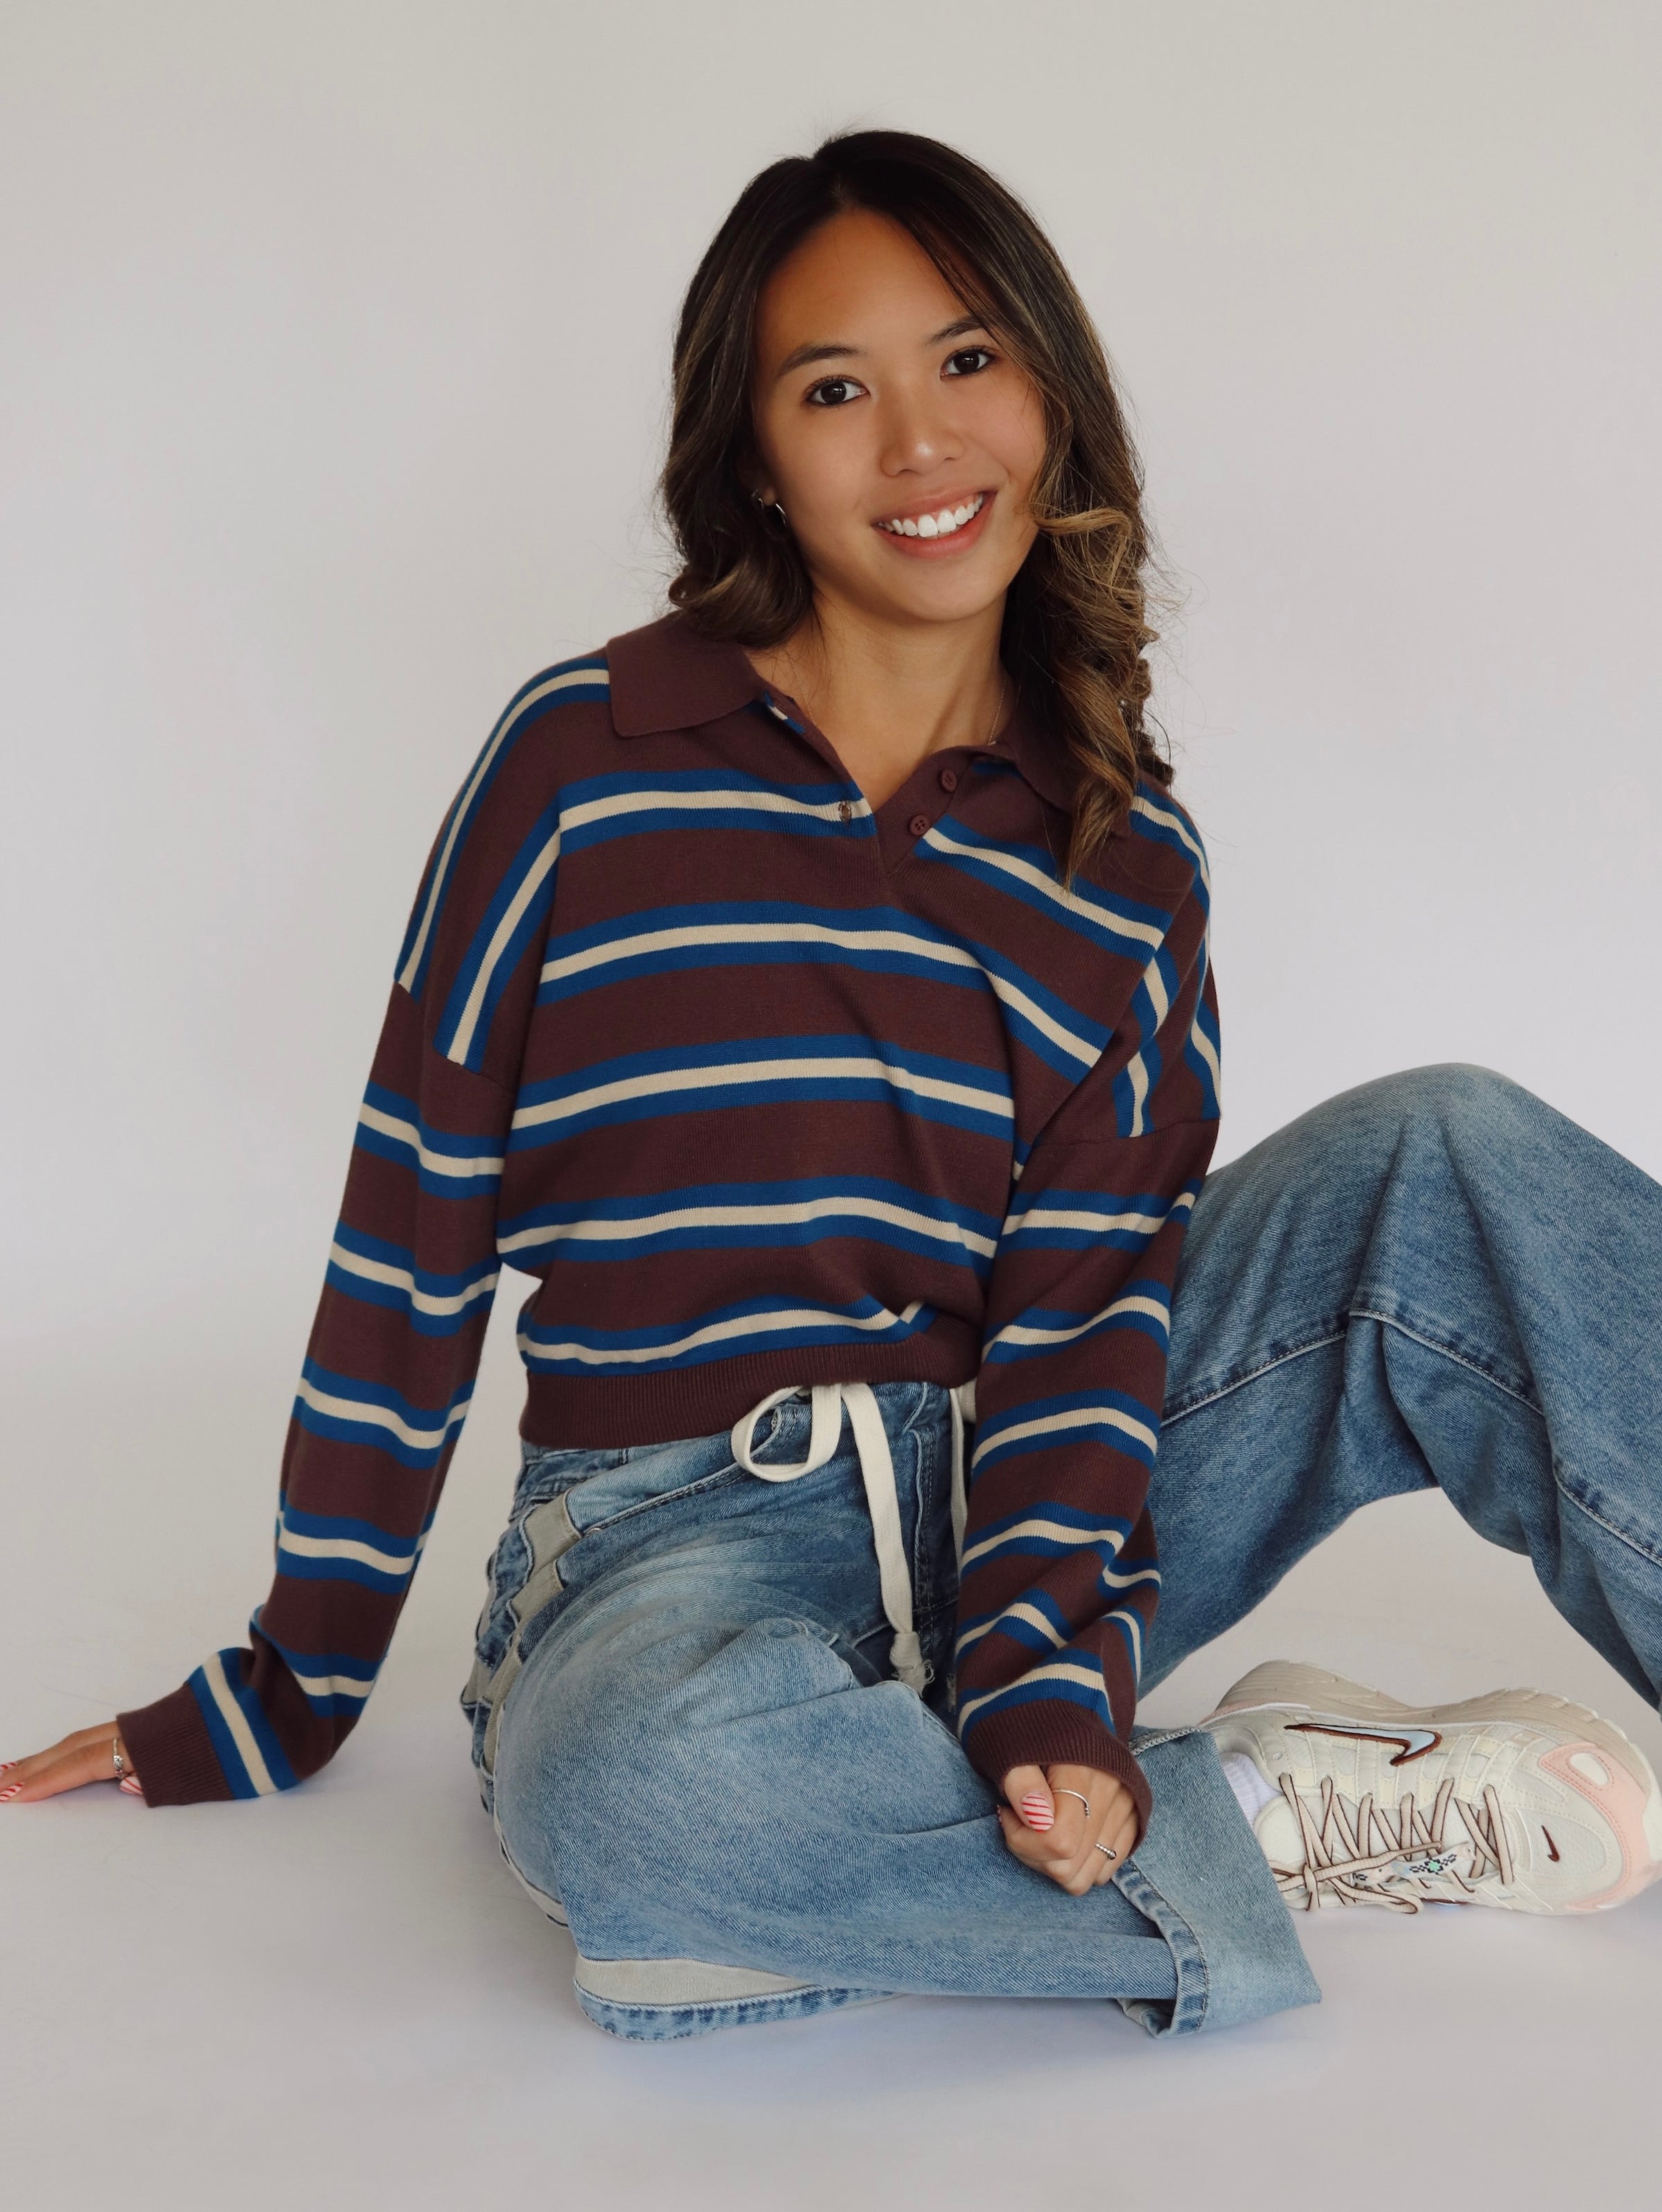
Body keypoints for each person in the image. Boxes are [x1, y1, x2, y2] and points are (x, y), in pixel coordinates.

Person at [7, 130, 1661, 2044]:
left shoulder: (1124, 859)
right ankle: (1265, 1819)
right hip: (672, 1545)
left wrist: (1041, 1674)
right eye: (833, 390)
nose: (920, 443)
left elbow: (1086, 1318)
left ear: (1050, 390)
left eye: (966, 360)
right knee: (630, 1797)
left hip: (1042, 1484)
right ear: (755, 459)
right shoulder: (581, 764)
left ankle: (927, 1821)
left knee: (1446, 1157)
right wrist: (288, 1681)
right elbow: (411, 1233)